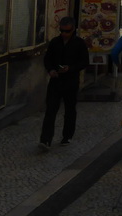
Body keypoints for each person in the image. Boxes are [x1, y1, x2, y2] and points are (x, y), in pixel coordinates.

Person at [39, 16, 89, 150]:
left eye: (67, 31)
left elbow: (84, 62)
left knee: (70, 109)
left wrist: (70, 68)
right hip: (56, 81)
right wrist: (50, 70)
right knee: (50, 110)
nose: (64, 34)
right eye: (62, 31)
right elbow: (47, 59)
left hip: (71, 81)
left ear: (73, 30)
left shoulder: (79, 43)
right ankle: (45, 140)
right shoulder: (55, 42)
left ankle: (67, 136)